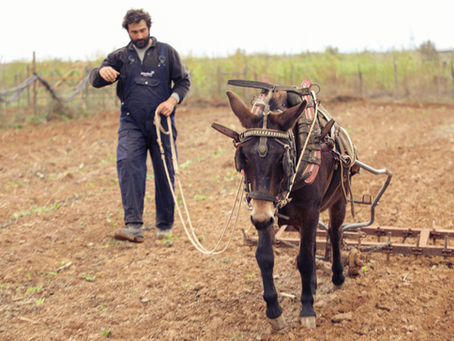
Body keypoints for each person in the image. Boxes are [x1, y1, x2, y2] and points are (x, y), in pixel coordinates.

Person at [90, 8, 190, 243]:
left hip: (160, 123)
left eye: (142, 30)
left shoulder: (167, 53)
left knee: (165, 173)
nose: (139, 35)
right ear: (128, 31)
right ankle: (133, 225)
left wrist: (172, 100)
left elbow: (183, 81)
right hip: (131, 122)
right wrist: (100, 71)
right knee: (128, 166)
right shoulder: (120, 57)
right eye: (134, 31)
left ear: (149, 28)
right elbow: (95, 80)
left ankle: (165, 226)